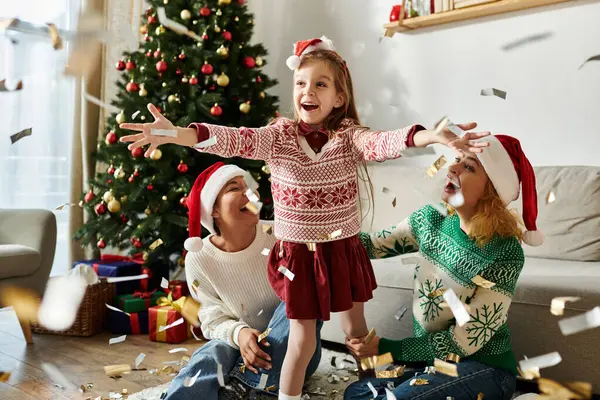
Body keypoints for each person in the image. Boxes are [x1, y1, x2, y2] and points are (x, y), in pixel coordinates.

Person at [119, 35, 490, 400]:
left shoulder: (349, 136)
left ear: (338, 98)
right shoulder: (278, 137)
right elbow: (232, 139)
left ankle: (374, 390)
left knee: (356, 330)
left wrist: (430, 137)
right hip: (298, 256)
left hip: (342, 249)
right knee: (301, 336)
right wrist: (177, 134)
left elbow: (386, 143)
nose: (307, 91)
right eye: (300, 83)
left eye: (320, 84)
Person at [344, 134, 544, 400]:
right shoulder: (431, 219)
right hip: (434, 365)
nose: (452, 168)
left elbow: (463, 341)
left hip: (483, 368)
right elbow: (370, 245)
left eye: (469, 167)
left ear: (491, 191)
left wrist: (384, 348)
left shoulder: (505, 252)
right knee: (356, 393)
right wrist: (322, 234)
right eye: (457, 160)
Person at [164, 162, 322, 400]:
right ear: (213, 210)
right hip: (240, 346)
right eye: (233, 187)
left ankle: (246, 386)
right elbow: (211, 318)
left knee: (300, 298)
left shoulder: (281, 236)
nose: (249, 192)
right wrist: (239, 334)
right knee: (212, 353)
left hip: (294, 350)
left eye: (250, 186)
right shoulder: (199, 258)